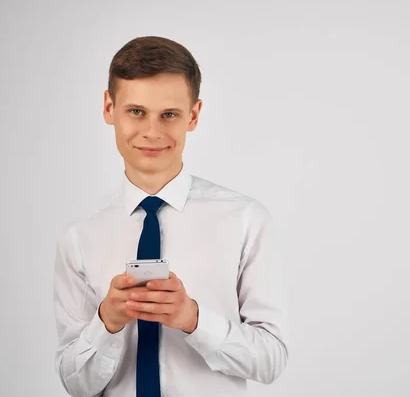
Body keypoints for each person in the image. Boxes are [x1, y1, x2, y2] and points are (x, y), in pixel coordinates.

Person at [52, 35, 289, 397]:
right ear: (108, 107)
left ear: (193, 115)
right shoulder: (80, 235)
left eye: (169, 115)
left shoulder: (245, 220)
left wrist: (194, 320)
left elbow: (271, 360)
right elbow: (75, 384)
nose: (152, 131)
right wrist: (108, 323)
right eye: (136, 111)